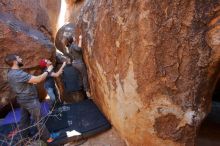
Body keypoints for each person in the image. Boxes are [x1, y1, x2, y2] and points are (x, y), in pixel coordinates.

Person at [4, 54, 56, 143]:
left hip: (22, 100)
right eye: (19, 58)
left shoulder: (10, 73)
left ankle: (24, 137)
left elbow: (23, 83)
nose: (21, 58)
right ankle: (47, 138)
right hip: (30, 101)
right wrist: (48, 70)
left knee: (24, 120)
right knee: (39, 120)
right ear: (15, 61)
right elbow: (38, 79)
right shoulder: (18, 74)